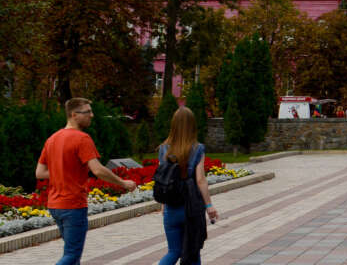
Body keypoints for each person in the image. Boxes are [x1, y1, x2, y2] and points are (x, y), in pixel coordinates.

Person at [36, 98, 138, 265]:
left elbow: (40, 172)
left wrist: (63, 171)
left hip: (55, 205)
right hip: (73, 204)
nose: (92, 115)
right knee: (72, 255)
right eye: (87, 112)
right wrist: (123, 183)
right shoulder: (82, 138)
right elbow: (97, 170)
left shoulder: (52, 139)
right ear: (74, 115)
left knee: (71, 253)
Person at [158, 106, 219, 265]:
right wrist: (209, 205)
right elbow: (200, 180)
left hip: (171, 208)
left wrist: (164, 204)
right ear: (192, 125)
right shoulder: (198, 148)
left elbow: (166, 179)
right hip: (191, 208)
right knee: (193, 251)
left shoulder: (164, 148)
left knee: (173, 251)